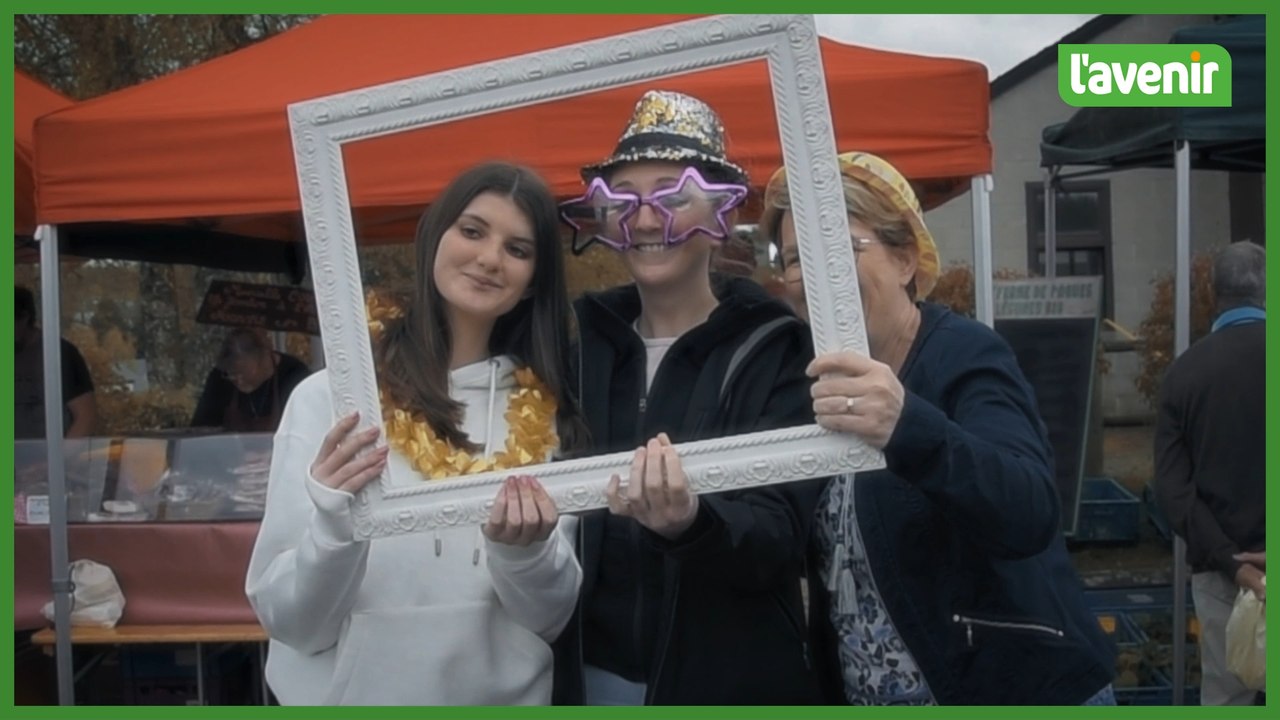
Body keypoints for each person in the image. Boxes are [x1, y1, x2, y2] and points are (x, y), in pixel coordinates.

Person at [761, 151, 1116, 705]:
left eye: (841, 247)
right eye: (793, 258)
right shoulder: (808, 385)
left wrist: (908, 425)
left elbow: (1028, 510)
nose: (813, 276)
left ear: (905, 261)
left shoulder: (962, 355)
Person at [246, 162, 587, 705]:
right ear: (434, 235)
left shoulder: (546, 419)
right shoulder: (330, 400)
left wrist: (523, 553)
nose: (489, 258)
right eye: (472, 231)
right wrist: (337, 529)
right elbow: (291, 623)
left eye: (518, 249)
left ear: (532, 284)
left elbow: (549, 620)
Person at [552, 90, 823, 705]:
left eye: (673, 196)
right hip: (588, 680)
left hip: (729, 684)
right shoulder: (576, 352)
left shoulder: (778, 351)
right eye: (624, 201)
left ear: (722, 215)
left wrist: (692, 524)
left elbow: (781, 533)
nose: (646, 221)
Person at [1153, 241, 1265, 706]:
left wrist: (1231, 562)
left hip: (1224, 574)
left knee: (1227, 697)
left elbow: (1172, 490)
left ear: (1211, 293)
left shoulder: (1184, 375)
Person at [190, 327, 311, 433]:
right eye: (232, 375)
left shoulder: (295, 375)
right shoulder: (220, 379)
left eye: (244, 373)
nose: (239, 380)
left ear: (265, 359)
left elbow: (307, 430)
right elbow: (201, 429)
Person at [15, 286, 97, 439]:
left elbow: (86, 417)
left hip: (51, 458)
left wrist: (58, 460)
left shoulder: (59, 354)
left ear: (24, 318)